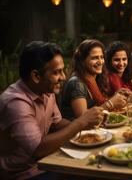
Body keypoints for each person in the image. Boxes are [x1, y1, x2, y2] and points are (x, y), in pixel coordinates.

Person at [0, 41, 104, 180]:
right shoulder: (15, 103)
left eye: (63, 70)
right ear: (36, 76)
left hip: (48, 162)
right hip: (25, 173)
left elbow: (57, 122)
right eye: (57, 72)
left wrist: (91, 129)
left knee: (98, 164)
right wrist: (81, 123)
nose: (64, 77)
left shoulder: (46, 91)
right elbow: (38, 149)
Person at [60, 39, 128, 120]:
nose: (100, 62)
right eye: (95, 58)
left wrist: (116, 96)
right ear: (82, 60)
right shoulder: (76, 83)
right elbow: (82, 117)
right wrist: (110, 104)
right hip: (78, 131)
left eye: (102, 57)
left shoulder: (95, 78)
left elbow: (97, 105)